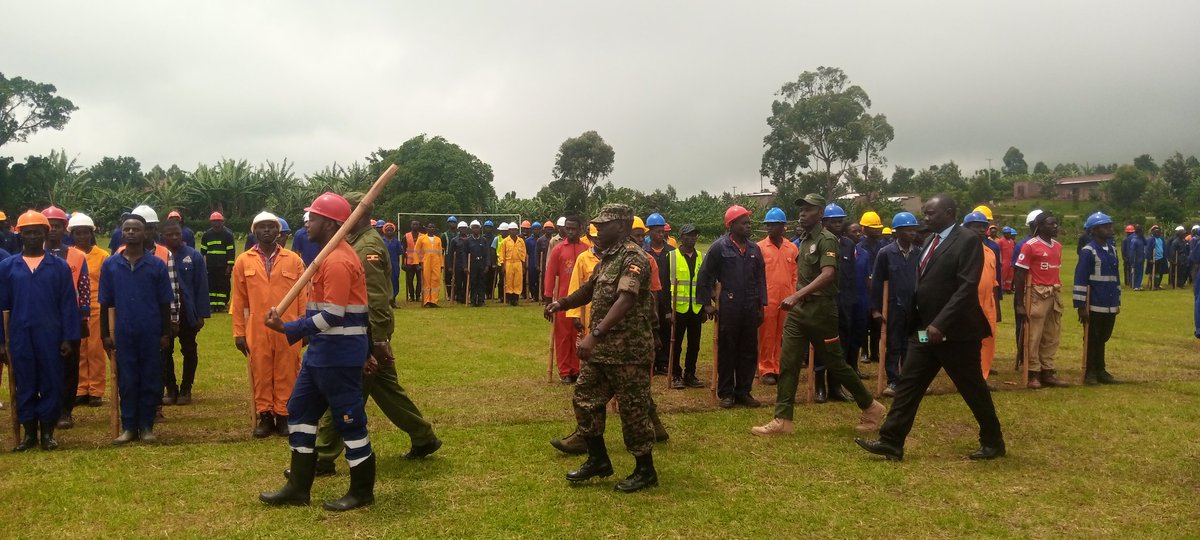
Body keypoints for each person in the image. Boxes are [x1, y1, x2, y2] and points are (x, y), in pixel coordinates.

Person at [855, 194, 1005, 462]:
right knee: (909, 384)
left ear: (948, 212)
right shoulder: (929, 241)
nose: (925, 218)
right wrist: (923, 322)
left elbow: (966, 286)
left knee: (972, 388)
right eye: (925, 213)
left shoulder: (967, 240)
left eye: (931, 213)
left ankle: (993, 441)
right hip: (925, 332)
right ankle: (891, 441)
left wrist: (941, 323)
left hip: (955, 333)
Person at [305, 192, 441, 478]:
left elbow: (376, 298)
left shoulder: (366, 246)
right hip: (364, 335)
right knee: (387, 390)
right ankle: (423, 436)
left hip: (365, 336)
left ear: (359, 213)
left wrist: (377, 341)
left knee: (345, 393)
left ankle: (323, 454)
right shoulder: (353, 243)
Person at [259, 192, 376, 511]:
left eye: (313, 217)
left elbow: (334, 315)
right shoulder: (326, 255)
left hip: (339, 358)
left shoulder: (338, 260)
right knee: (299, 412)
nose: (307, 222)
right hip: (320, 357)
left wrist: (289, 328)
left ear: (329, 223)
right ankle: (298, 488)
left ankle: (362, 492)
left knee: (350, 423)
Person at [544, 203, 659, 493]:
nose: (596, 229)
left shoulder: (634, 257)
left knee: (634, 412)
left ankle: (645, 470)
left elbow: (626, 299)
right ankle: (598, 460)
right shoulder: (607, 258)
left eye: (603, 225)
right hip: (603, 351)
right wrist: (563, 303)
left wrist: (594, 335)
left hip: (628, 351)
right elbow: (589, 289)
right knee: (584, 399)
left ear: (620, 226)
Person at [752, 194, 886, 436]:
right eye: (801, 209)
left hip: (821, 311)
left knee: (836, 363)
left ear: (820, 213)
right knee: (789, 362)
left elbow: (828, 274)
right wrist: (797, 298)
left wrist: (796, 294)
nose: (802, 213)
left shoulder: (827, 240)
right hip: (799, 311)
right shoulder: (802, 241)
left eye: (808, 209)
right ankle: (783, 419)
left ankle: (871, 406)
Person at [0, 210, 81, 451]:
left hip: (51, 335)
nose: (33, 237)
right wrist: (2, 342)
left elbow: (68, 304)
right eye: (28, 233)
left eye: (37, 232)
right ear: (20, 235)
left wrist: (69, 338)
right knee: (24, 383)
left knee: (51, 382)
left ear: (46, 234)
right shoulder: (7, 267)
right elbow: (1, 306)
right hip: (19, 335)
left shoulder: (58, 267)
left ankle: (47, 432)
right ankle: (29, 434)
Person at [100, 213, 174, 444]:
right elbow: (105, 303)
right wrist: (104, 334)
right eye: (127, 229)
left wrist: (165, 333)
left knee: (150, 379)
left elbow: (164, 302)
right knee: (127, 380)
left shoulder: (156, 265)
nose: (131, 232)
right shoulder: (111, 265)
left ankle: (147, 426)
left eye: (136, 229)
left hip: (150, 331)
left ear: (146, 233)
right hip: (123, 331)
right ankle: (129, 426)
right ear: (122, 233)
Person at [231, 211, 305, 437]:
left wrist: (304, 328)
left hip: (288, 327)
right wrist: (239, 333)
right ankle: (265, 415)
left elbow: (303, 296)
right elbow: (239, 299)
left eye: (271, 227)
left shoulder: (294, 260)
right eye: (261, 227)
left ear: (278, 231)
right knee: (261, 370)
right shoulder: (243, 261)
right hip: (257, 327)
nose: (266, 231)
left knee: (287, 370)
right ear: (254, 231)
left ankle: (283, 415)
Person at [695, 205, 767, 409]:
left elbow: (761, 278)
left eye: (749, 222)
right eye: (744, 222)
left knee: (748, 350)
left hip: (750, 305)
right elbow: (705, 274)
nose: (748, 225)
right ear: (731, 225)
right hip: (729, 305)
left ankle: (743, 391)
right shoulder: (719, 247)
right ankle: (726, 392)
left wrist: (762, 305)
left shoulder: (754, 249)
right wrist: (706, 304)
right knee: (728, 350)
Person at [41, 206, 90, 430]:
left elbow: (84, 288)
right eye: (49, 226)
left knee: (70, 366)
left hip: (71, 319)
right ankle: (47, 407)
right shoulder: (31, 254)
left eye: (58, 226)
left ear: (64, 230)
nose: (53, 230)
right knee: (45, 364)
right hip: (43, 319)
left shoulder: (78, 256)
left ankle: (65, 410)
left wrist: (83, 318)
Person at [1014, 210, 1070, 389]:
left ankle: (1048, 371)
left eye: (1056, 223)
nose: (1055, 227)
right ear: (1039, 227)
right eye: (1050, 224)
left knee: (1052, 335)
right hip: (1036, 293)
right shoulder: (1030, 246)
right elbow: (1020, 275)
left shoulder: (1058, 246)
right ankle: (1033, 373)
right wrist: (1019, 303)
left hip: (1054, 293)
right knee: (1034, 335)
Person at [159, 219, 209, 406]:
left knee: (189, 349)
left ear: (182, 235)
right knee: (165, 351)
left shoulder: (193, 256)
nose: (174, 237)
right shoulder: (159, 256)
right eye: (169, 234)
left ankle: (186, 388)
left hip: (187, 311)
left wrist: (201, 315)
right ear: (162, 236)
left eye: (177, 234)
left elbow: (201, 287)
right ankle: (170, 389)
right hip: (165, 312)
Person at [870, 212, 920, 396]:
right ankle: (893, 380)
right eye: (908, 230)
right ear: (897, 232)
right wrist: (874, 309)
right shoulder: (886, 253)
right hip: (892, 306)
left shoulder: (918, 253)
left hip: (913, 307)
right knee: (894, 344)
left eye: (914, 229)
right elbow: (876, 282)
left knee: (912, 344)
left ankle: (908, 379)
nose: (912, 233)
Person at [1075, 212, 1121, 385]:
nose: (1110, 228)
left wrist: (1117, 300)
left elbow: (1115, 276)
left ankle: (1101, 370)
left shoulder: (1112, 249)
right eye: (1105, 226)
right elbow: (1080, 278)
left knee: (1103, 337)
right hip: (1094, 303)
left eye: (1110, 225)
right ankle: (1090, 371)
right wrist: (1080, 305)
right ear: (1094, 230)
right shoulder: (1088, 251)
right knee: (1092, 338)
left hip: (1109, 302)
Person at [69, 213, 109, 407]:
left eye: (86, 233)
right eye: (78, 233)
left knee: (95, 349)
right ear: (73, 235)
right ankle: (80, 388)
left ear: (91, 234)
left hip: (96, 307)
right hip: (74, 309)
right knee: (79, 349)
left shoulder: (102, 256)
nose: (82, 236)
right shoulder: (68, 255)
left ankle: (96, 390)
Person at [543, 216, 589, 382]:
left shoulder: (587, 249)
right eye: (567, 228)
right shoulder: (558, 249)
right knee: (563, 336)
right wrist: (548, 300)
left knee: (579, 334)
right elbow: (549, 275)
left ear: (580, 229)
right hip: (562, 301)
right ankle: (565, 372)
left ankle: (577, 369)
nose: (570, 231)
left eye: (573, 228)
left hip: (583, 300)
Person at [756, 208, 798, 386]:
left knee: (784, 335)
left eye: (774, 225)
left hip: (787, 299)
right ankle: (766, 368)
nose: (770, 228)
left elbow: (795, 275)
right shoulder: (760, 248)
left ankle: (780, 366)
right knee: (767, 334)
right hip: (768, 299)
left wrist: (795, 295)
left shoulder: (792, 248)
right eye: (768, 225)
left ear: (783, 227)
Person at [668, 224, 707, 390]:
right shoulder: (671, 257)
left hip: (696, 308)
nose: (692, 238)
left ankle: (690, 374)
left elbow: (706, 283)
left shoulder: (701, 257)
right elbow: (662, 286)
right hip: (677, 308)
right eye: (688, 235)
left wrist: (706, 305)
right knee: (676, 343)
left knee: (694, 344)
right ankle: (676, 374)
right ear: (681, 237)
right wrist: (666, 311)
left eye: (694, 235)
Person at [961, 211, 999, 381]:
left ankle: (982, 377)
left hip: (988, 304)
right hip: (968, 304)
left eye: (984, 226)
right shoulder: (960, 251)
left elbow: (994, 282)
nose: (982, 230)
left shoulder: (990, 252)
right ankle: (968, 377)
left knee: (988, 340)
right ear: (967, 228)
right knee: (968, 342)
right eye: (977, 227)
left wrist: (996, 307)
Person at [643, 213, 674, 375]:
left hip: (667, 298)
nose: (661, 234)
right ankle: (651, 362)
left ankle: (663, 362)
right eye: (657, 231)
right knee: (649, 329)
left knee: (666, 330)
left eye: (663, 231)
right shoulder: (643, 252)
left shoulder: (672, 252)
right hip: (649, 298)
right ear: (649, 232)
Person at [858, 211, 885, 365]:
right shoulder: (859, 248)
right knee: (864, 322)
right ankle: (864, 352)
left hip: (879, 290)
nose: (876, 230)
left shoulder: (884, 246)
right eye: (872, 228)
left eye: (878, 228)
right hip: (864, 291)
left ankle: (875, 352)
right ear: (864, 229)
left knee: (877, 323)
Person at [200, 212, 235, 313]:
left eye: (218, 221)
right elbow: (203, 253)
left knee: (223, 285)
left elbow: (231, 251)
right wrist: (203, 266)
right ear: (211, 222)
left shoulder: (228, 235)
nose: (216, 224)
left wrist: (230, 265)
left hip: (223, 266)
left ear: (222, 222)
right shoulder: (207, 235)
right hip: (210, 266)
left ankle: (221, 304)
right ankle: (212, 305)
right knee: (211, 284)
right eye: (214, 222)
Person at [416, 222, 444, 307]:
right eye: (430, 227)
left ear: (435, 229)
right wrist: (417, 263)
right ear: (427, 229)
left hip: (436, 263)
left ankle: (434, 301)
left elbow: (440, 253)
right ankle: (427, 301)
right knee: (426, 281)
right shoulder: (422, 238)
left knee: (435, 281)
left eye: (433, 227)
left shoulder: (438, 239)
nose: (431, 229)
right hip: (426, 262)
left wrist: (441, 265)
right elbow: (416, 251)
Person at [499, 222, 526, 306]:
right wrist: (502, 266)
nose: (513, 231)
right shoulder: (505, 241)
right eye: (511, 230)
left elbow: (524, 254)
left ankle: (516, 299)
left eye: (515, 230)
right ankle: (510, 299)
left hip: (518, 263)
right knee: (509, 281)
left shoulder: (521, 241)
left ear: (517, 230)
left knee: (518, 281)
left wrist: (524, 266)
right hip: (509, 263)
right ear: (509, 231)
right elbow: (501, 254)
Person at [447, 221, 470, 304]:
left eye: (465, 228)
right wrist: (449, 266)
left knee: (466, 281)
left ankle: (465, 297)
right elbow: (450, 253)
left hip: (467, 263)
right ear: (459, 229)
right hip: (458, 264)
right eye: (462, 228)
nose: (463, 230)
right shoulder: (454, 240)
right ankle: (458, 297)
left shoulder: (469, 239)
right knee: (458, 281)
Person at [382, 222, 402, 306]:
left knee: (394, 282)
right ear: (384, 231)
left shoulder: (397, 242)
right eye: (387, 230)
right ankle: (385, 301)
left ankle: (393, 300)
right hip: (384, 265)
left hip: (394, 265)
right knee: (385, 282)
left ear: (394, 231)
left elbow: (399, 254)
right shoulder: (381, 241)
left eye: (391, 230)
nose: (389, 231)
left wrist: (398, 265)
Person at [441, 217, 458, 297]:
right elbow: (442, 249)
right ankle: (449, 294)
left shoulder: (458, 234)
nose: (452, 224)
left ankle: (456, 293)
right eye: (451, 222)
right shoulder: (444, 235)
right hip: (448, 258)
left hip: (458, 258)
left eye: (454, 222)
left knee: (457, 276)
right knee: (448, 276)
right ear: (448, 224)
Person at [526, 221, 543, 301]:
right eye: (535, 229)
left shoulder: (542, 240)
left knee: (540, 280)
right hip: (531, 262)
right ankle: (533, 295)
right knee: (532, 280)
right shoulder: (528, 241)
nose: (536, 231)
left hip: (540, 262)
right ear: (532, 230)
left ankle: (539, 295)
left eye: (538, 229)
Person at [1145, 225, 1166, 290]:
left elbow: (1164, 248)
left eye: (1158, 232)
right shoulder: (1151, 239)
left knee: (1160, 273)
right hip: (1154, 259)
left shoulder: (1161, 239)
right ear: (1153, 233)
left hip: (1161, 258)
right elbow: (1148, 249)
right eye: (1156, 232)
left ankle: (1158, 284)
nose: (1157, 233)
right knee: (1153, 273)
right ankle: (1153, 285)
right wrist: (1149, 259)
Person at [999, 226, 1016, 291]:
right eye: (1006, 233)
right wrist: (1000, 260)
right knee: (1003, 274)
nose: (1008, 234)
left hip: (1011, 261)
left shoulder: (1012, 241)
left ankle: (1008, 288)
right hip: (1004, 261)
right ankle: (1002, 288)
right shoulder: (1001, 241)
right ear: (1003, 233)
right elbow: (999, 251)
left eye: (1009, 233)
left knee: (1010, 275)